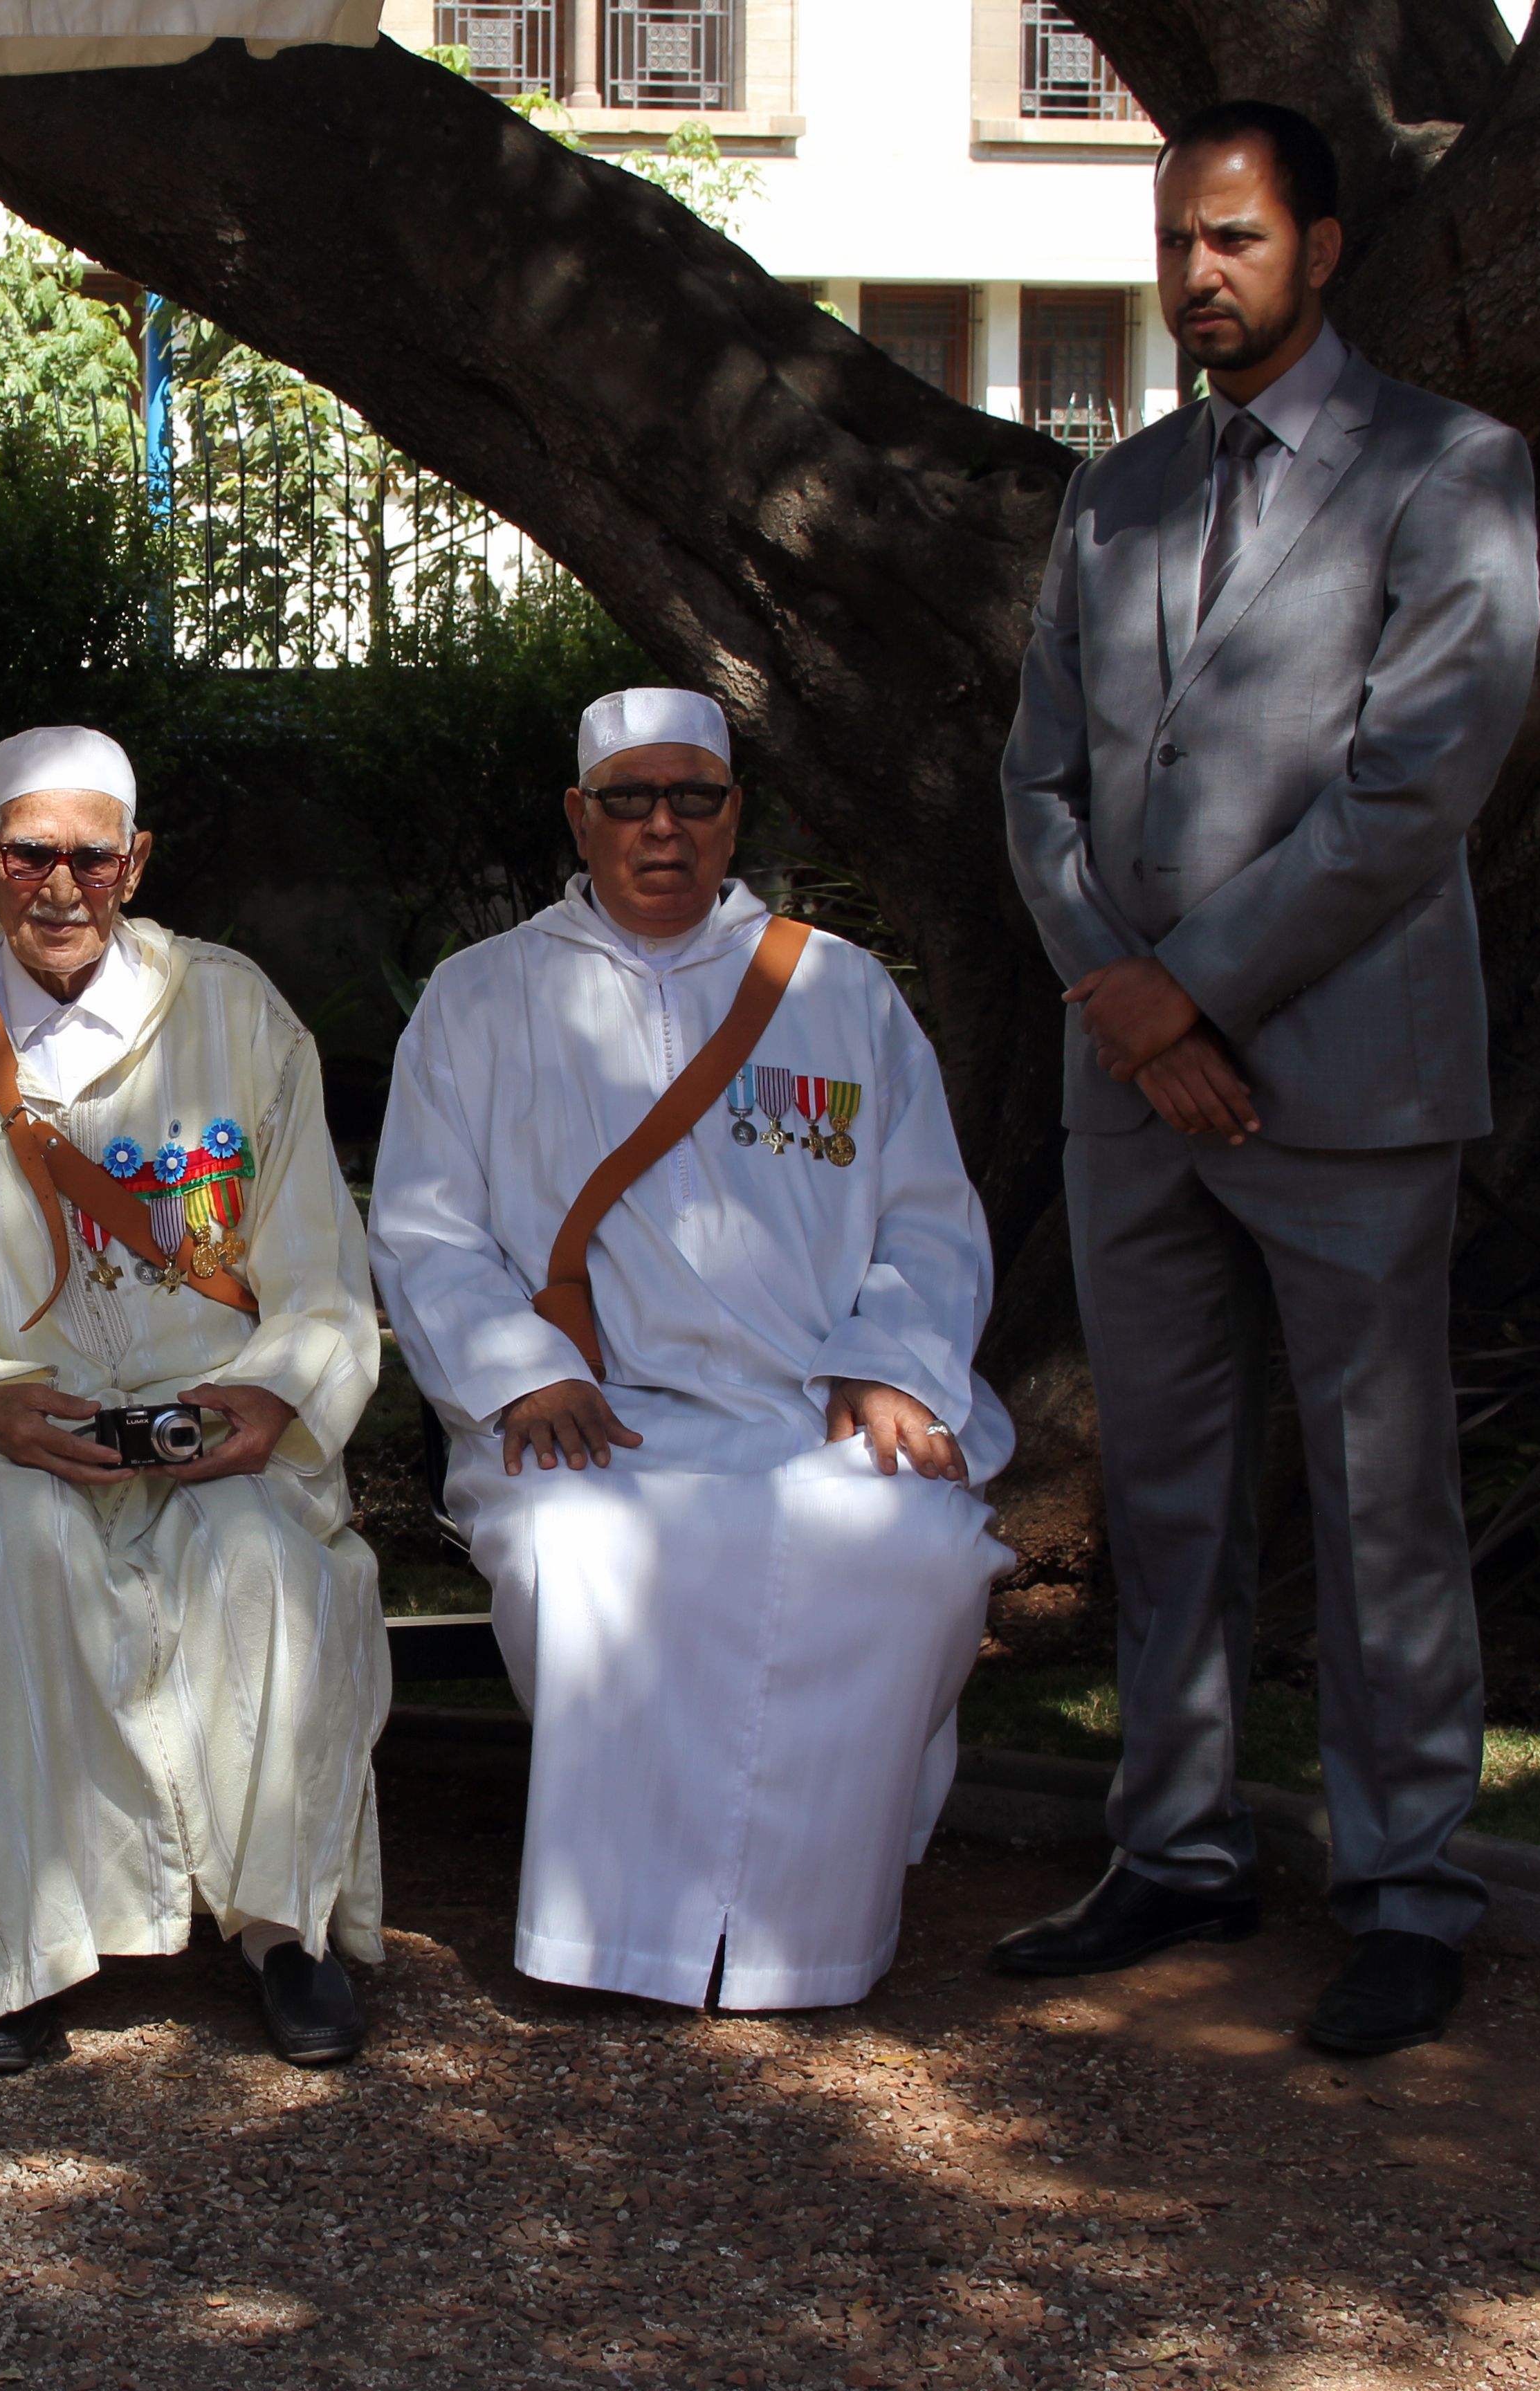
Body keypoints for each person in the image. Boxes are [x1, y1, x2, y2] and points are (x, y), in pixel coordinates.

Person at [992, 100, 1540, 2057]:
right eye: (1173, 247)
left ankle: (1406, 1889)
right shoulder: (1115, 496)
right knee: (1168, 1491)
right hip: (1134, 1095)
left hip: (1349, 1089)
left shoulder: (1452, 473)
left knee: (1382, 1498)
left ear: (1318, 245)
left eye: (1229, 240)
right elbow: (1038, 779)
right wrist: (1120, 999)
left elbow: (1414, 790)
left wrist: (1184, 996)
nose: (1194, 278)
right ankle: (1179, 1847)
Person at [372, 688, 1014, 2012]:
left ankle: (810, 1929)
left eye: (692, 800)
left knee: (914, 1554)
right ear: (578, 815)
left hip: (809, 1404)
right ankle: (619, 1939)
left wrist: (890, 1365)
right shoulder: (480, 997)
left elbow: (927, 1214)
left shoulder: (835, 990)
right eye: (627, 799)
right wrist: (520, 1373)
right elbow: (425, 1228)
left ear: (733, 818)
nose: (660, 829)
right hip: (597, 1412)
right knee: (579, 1554)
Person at [0, 727, 386, 2076]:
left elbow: (316, 1255)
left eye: (92, 855)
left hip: (213, 1416)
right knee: (23, 1560)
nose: (61, 885)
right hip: (17, 1430)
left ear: (135, 861)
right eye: (30, 854)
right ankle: (15, 1946)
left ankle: (282, 1930)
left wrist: (271, 1399)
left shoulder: (236, 1011)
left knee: (259, 1562)